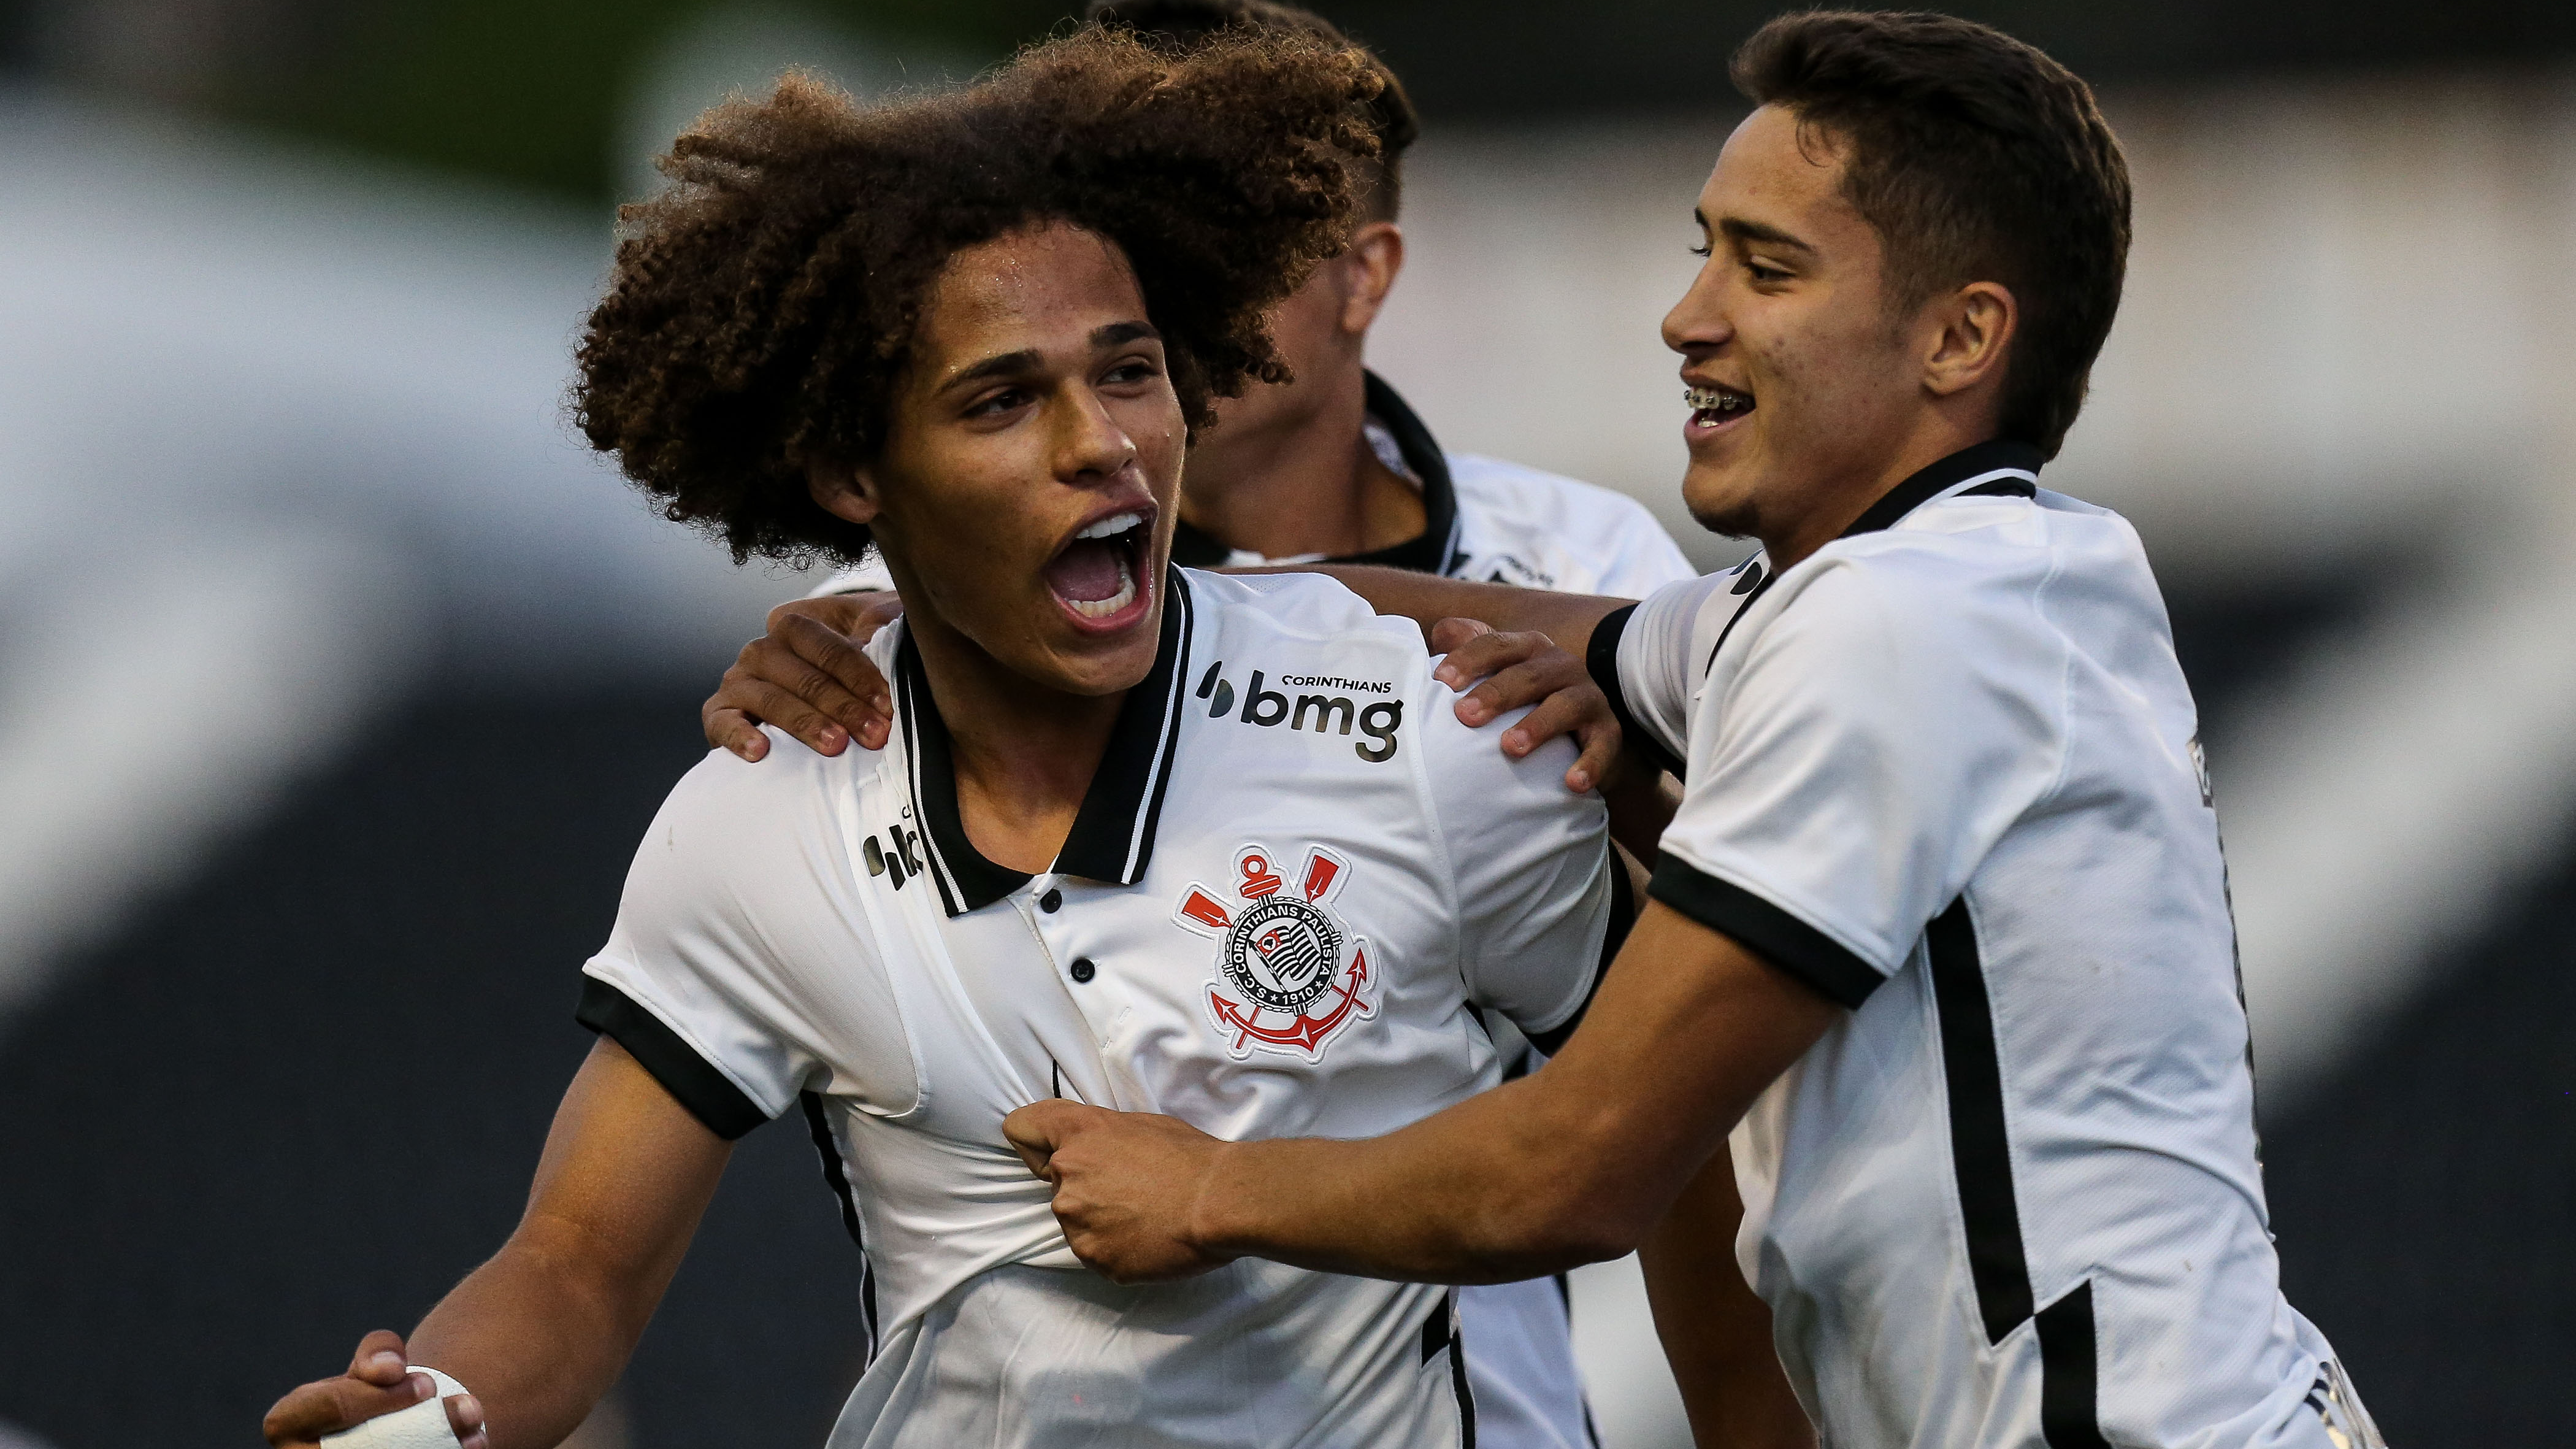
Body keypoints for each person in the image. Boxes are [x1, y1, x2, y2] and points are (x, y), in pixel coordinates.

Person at [260, 29, 1797, 1449]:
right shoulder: (765, 807)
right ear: (851, 470)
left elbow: (1657, 1139)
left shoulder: (1433, 725)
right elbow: (577, 1262)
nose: (1102, 442)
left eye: (1131, 371)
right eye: (1004, 399)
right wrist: (441, 1408)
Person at [1002, 13, 2388, 1449]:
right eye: (1703, 249)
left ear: (1964, 334)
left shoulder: (1896, 631)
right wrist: (969, 618)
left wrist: (1204, 1189)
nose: (1690, 315)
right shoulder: (1933, 581)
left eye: (1768, 266)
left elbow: (1579, 1166)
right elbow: (1538, 631)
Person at [701, 0, 1694, 774]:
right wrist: (780, 719)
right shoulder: (889, 619)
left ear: (1366, 273)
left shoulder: (1591, 556)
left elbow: (1745, 928)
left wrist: (1612, 779)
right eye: (1128, 251)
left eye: (1231, 250)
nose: (1162, 302)